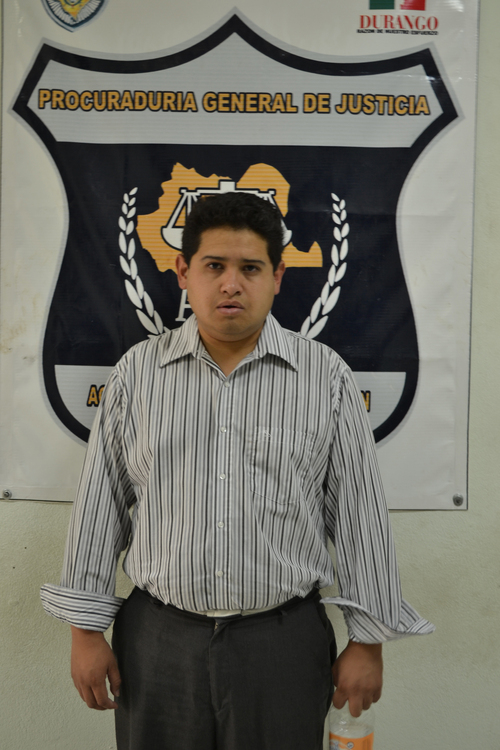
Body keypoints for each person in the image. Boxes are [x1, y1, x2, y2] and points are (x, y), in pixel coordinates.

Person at [41, 191, 433, 750]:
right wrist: (85, 631)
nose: (231, 284)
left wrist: (367, 642)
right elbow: (100, 506)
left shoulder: (325, 378)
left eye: (250, 268)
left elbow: (359, 515)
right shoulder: (137, 375)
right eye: (214, 266)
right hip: (157, 641)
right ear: (183, 272)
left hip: (282, 642)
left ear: (277, 276)